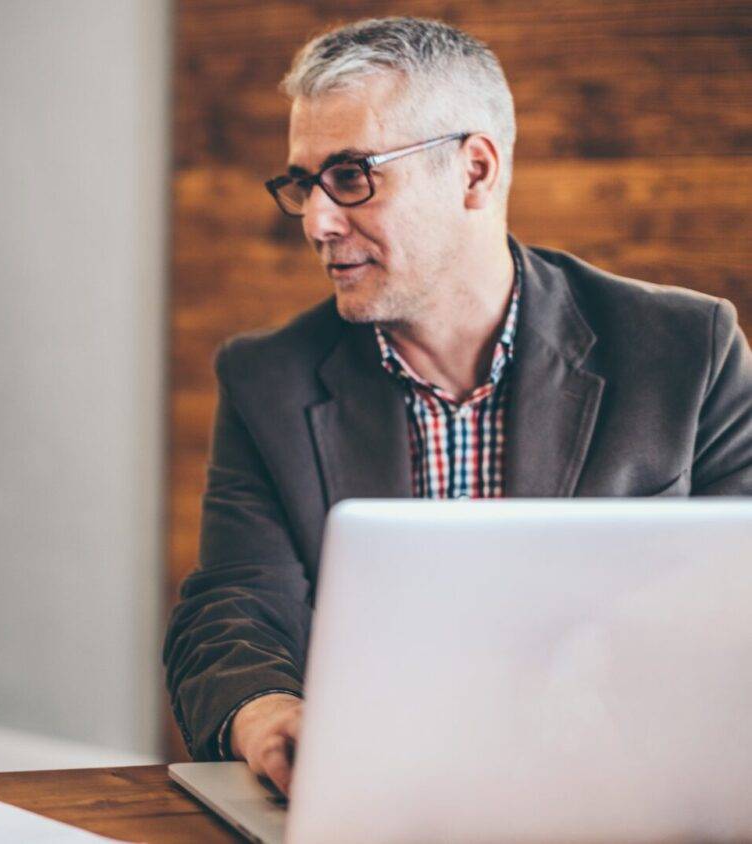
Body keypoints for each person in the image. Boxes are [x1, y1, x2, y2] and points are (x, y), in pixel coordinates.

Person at [163, 17, 752, 797]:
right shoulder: (267, 379)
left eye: (350, 176)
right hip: (381, 803)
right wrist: (262, 709)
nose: (316, 221)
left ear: (475, 171)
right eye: (304, 184)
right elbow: (235, 605)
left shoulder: (686, 350)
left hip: (634, 798)